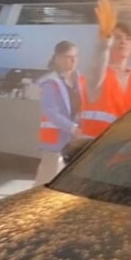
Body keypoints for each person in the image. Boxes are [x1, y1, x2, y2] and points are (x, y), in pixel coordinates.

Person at [80, 0, 131, 138]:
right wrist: (104, 42)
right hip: (96, 151)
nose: (123, 42)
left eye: (128, 38)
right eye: (118, 37)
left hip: (130, 151)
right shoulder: (97, 76)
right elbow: (97, 67)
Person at [34, 40, 87, 186]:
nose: (73, 60)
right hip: (55, 140)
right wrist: (72, 128)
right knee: (46, 180)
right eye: (68, 56)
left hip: (74, 140)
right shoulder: (50, 82)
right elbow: (51, 111)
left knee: (67, 181)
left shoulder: (81, 81)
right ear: (57, 58)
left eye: (75, 56)